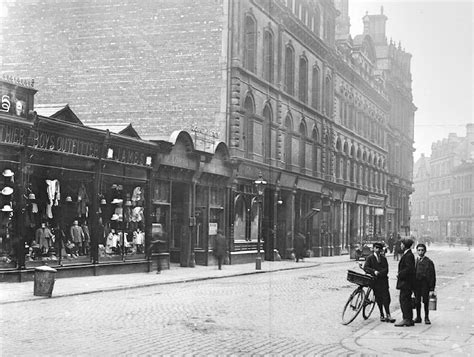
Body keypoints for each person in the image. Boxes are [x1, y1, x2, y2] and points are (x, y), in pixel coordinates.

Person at [361, 242, 395, 323]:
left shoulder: (383, 258)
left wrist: (380, 273)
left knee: (386, 298)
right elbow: (366, 268)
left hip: (383, 280)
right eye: (376, 248)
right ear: (373, 249)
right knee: (379, 298)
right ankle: (381, 314)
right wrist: (374, 272)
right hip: (375, 281)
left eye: (379, 248)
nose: (378, 250)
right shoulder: (370, 258)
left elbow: (386, 269)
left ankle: (388, 314)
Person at [394, 238, 416, 327]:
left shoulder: (408, 255)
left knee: (404, 300)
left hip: (406, 282)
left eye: (402, 244)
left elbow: (409, 269)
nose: (401, 245)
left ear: (405, 245)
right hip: (407, 282)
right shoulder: (408, 254)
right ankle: (409, 319)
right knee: (406, 300)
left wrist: (400, 275)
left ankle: (406, 319)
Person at [414, 243, 436, 324]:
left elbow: (432, 276)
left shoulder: (429, 262)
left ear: (425, 251)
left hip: (425, 284)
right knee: (417, 301)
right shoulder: (415, 261)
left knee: (426, 301)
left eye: (422, 250)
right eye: (419, 250)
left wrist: (432, 288)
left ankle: (426, 317)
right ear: (416, 251)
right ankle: (418, 317)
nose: (420, 252)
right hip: (416, 284)